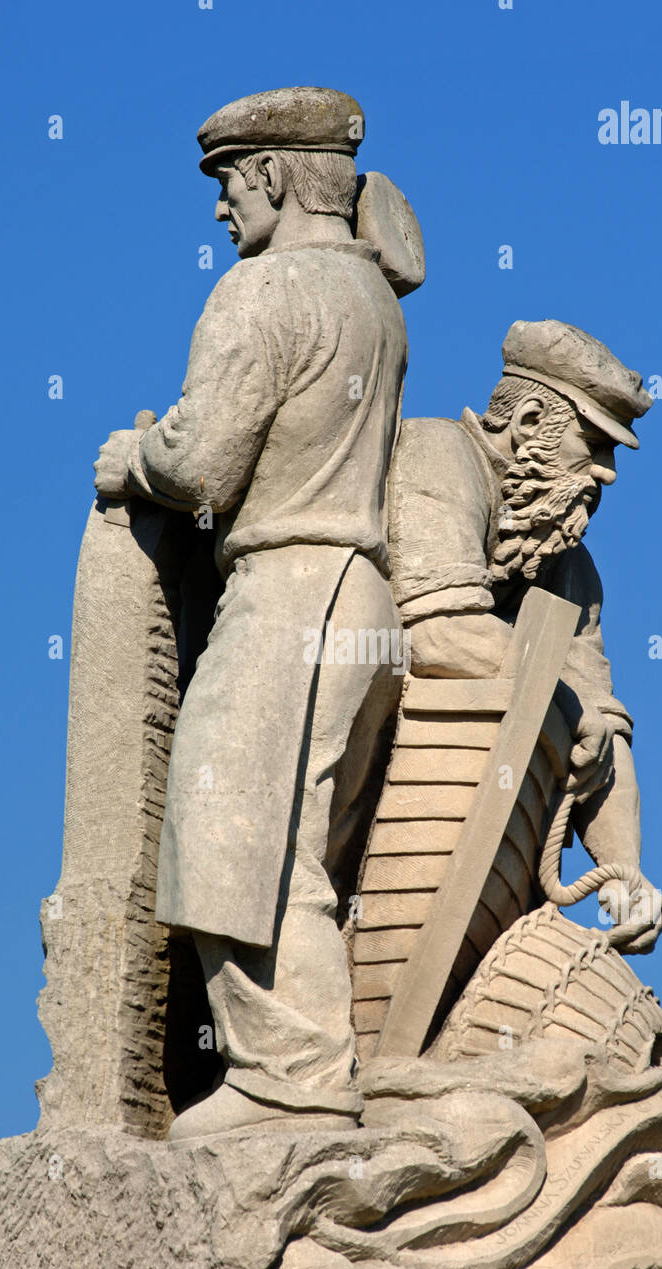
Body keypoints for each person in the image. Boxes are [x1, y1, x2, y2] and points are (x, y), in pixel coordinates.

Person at [93, 88, 408, 1137]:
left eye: (228, 185)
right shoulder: (370, 296)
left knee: (229, 826)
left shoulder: (261, 291)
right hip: (360, 595)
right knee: (288, 843)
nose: (221, 212)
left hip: (286, 587)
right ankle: (298, 1072)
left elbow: (202, 460)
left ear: (272, 174)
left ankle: (291, 1081)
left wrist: (133, 456)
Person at [387, 319, 662, 952]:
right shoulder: (437, 455)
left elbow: (604, 725)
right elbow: (437, 635)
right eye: (592, 445)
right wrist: (570, 704)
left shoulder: (571, 566)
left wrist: (624, 870)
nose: (607, 474)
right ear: (531, 420)